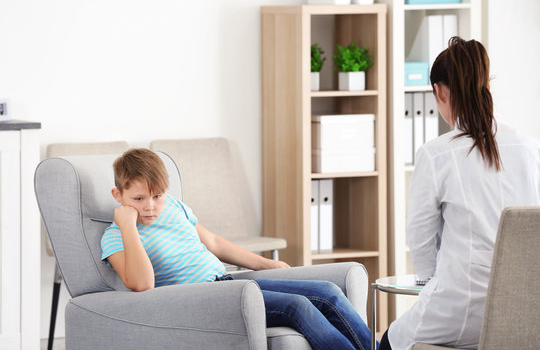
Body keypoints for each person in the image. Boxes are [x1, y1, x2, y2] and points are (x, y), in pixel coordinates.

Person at [101, 148, 374, 350]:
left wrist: (267, 264)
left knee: (328, 291)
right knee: (297, 306)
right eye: (139, 199)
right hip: (198, 301)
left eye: (157, 196)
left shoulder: (172, 207)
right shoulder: (115, 237)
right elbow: (143, 284)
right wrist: (128, 226)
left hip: (226, 284)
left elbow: (214, 243)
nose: (150, 206)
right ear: (118, 195)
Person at [379, 37, 540, 350]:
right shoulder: (531, 148)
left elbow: (422, 240)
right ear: (487, 86)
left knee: (388, 340)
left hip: (458, 317)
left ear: (439, 92)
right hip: (525, 315)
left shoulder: (437, 154)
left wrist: (433, 281)